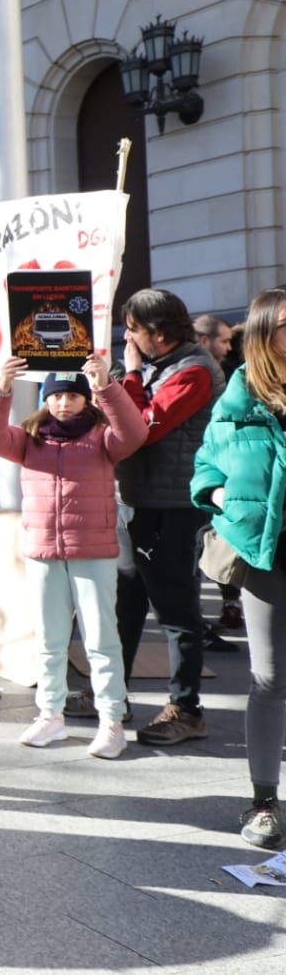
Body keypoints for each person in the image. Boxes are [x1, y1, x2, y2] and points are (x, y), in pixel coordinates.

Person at [0, 357, 147, 758]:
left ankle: (111, 720)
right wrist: (1, 388)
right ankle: (50, 715)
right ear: (46, 399)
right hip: (43, 551)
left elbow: (134, 432)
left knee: (102, 641)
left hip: (93, 551)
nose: (65, 404)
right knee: (50, 640)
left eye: (73, 395)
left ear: (85, 398)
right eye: (57, 396)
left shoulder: (102, 437)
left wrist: (107, 385)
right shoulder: (29, 437)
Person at [193, 287, 286, 848]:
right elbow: (206, 464)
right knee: (270, 677)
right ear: (263, 333)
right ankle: (263, 802)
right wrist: (224, 498)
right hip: (266, 552)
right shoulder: (240, 394)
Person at [116, 288, 224, 745]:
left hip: (172, 505)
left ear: (155, 332)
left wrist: (132, 375)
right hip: (141, 498)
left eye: (133, 329)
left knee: (176, 609)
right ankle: (111, 694)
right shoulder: (165, 365)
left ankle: (187, 708)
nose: (128, 337)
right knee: (126, 602)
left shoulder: (194, 370)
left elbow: (141, 428)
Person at [194, 314, 244, 634]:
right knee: (208, 541)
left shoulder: (225, 371)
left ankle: (230, 603)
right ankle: (223, 604)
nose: (226, 347)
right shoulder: (214, 375)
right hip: (211, 476)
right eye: (221, 341)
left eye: (229, 341)